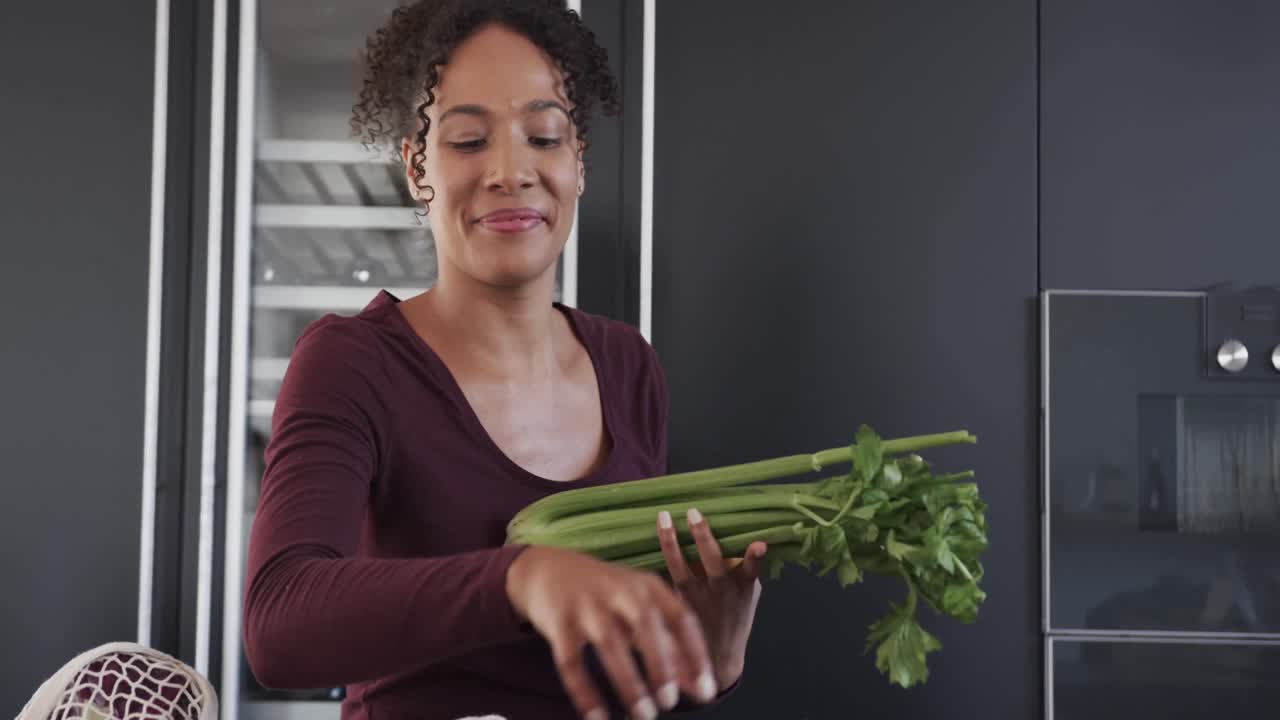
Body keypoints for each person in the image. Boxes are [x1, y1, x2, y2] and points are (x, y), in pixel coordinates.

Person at [241, 2, 768, 719]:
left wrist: (711, 654)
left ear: (578, 162)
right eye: (466, 141)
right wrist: (521, 580)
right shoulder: (352, 363)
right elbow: (279, 626)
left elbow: (625, 679)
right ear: (415, 169)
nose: (511, 170)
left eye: (543, 135)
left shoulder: (628, 367)